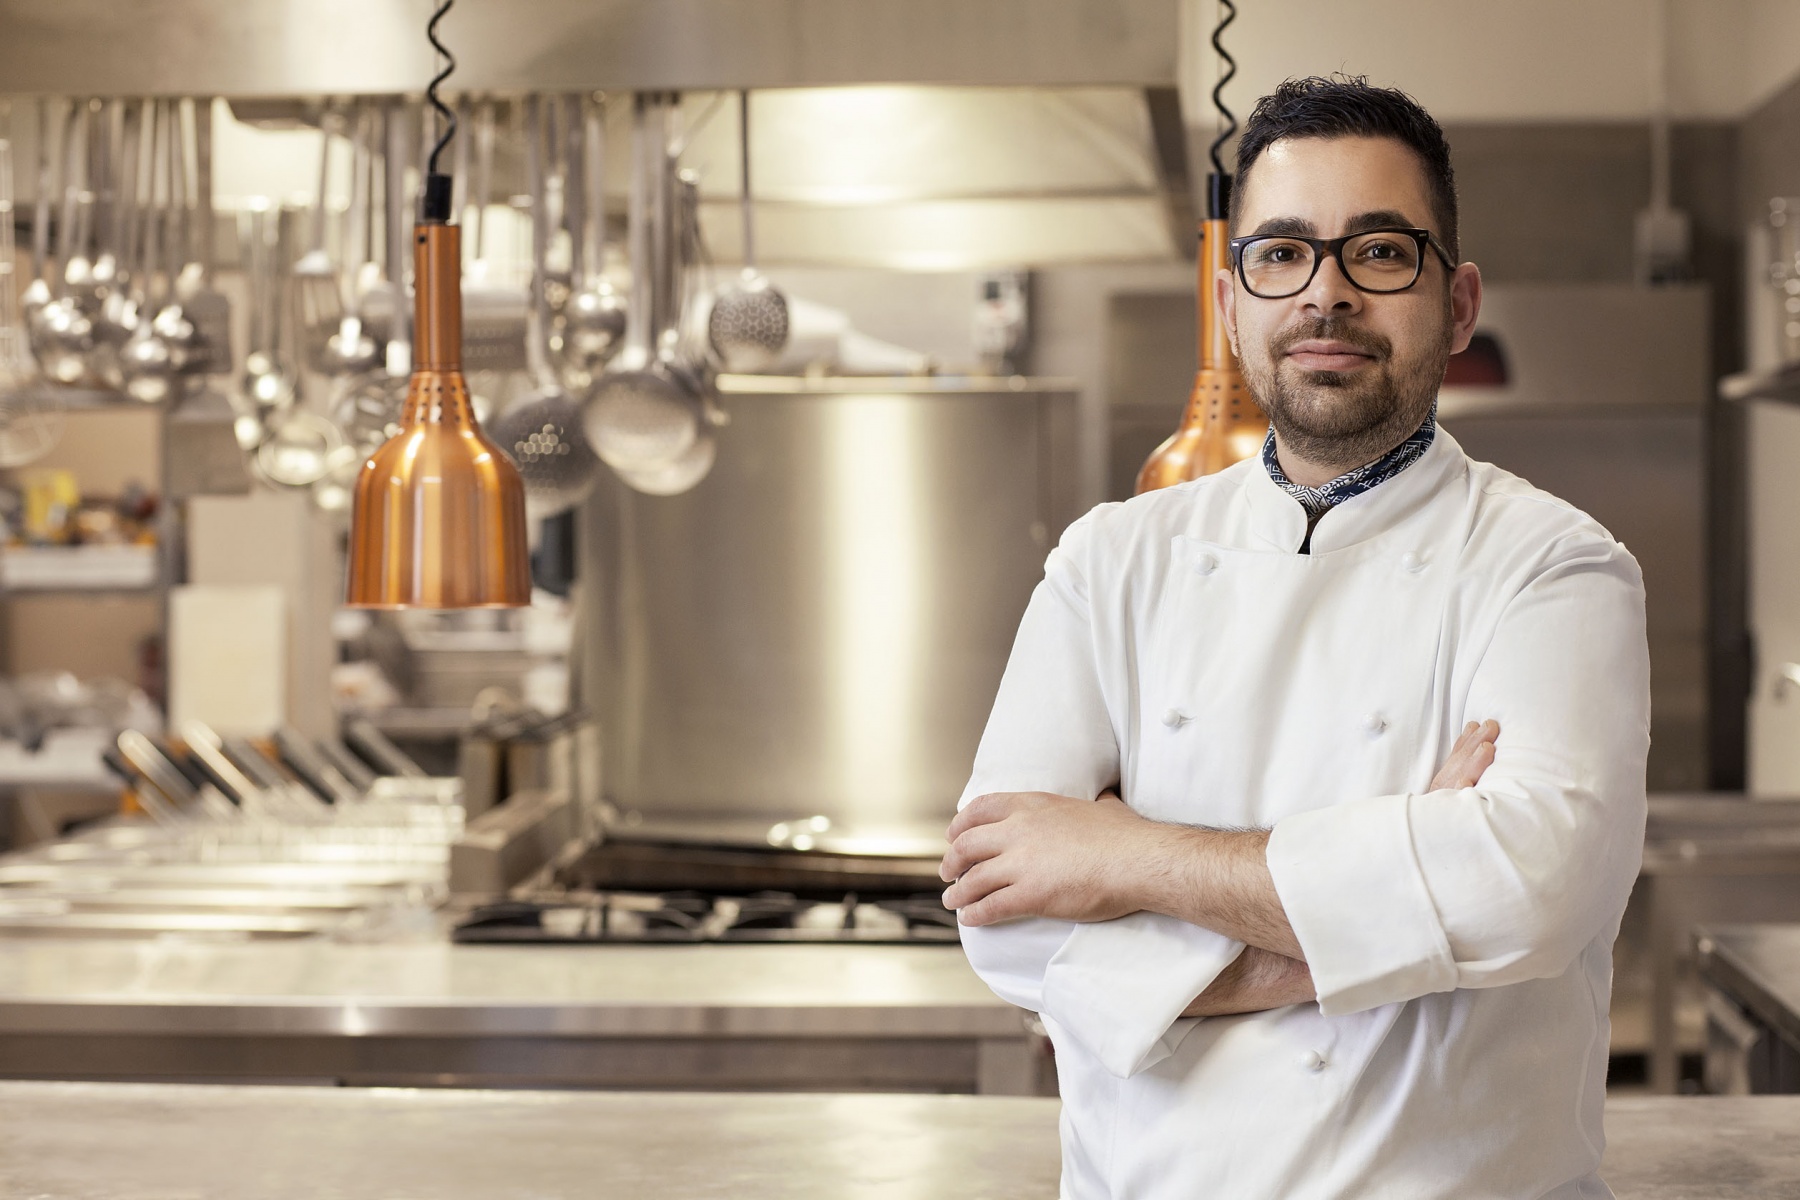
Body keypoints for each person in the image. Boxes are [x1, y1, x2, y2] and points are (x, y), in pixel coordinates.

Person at [939, 76, 1649, 1199]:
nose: (1327, 293)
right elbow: (1002, 915)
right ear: (1231, 306)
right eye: (1281, 253)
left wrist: (1124, 857)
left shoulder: (1555, 566)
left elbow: (1527, 886)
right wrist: (1391, 907)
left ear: (1458, 303)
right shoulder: (1108, 561)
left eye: (1381, 252)